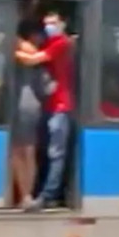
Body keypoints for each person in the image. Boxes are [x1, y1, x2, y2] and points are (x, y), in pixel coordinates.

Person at [15, 11, 74, 210]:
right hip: (49, 105)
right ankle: (41, 191)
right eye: (46, 23)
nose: (49, 26)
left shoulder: (61, 43)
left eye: (54, 23)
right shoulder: (50, 42)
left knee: (56, 153)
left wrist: (10, 48)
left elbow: (33, 59)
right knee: (44, 151)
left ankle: (49, 195)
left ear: (63, 24)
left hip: (61, 106)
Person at [10, 20, 46, 207]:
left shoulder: (27, 52)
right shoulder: (33, 53)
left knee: (21, 151)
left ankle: (26, 195)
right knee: (25, 151)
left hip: (23, 104)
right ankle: (26, 194)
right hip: (28, 104)